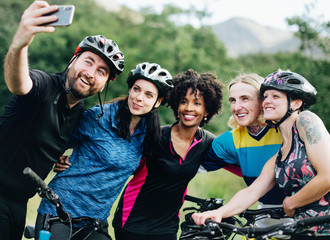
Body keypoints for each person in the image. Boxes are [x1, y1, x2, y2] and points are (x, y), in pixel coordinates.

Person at [0, 1, 124, 239]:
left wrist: (56, 157)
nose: (91, 73)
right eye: (88, 61)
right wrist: (19, 44)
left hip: (20, 204)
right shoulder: (44, 86)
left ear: (105, 84)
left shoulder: (80, 113)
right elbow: (19, 82)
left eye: (101, 71)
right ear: (73, 59)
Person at [36, 62, 174, 239]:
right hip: (60, 210)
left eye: (148, 95)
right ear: (130, 90)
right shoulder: (99, 118)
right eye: (136, 89)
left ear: (158, 102)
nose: (139, 98)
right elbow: (57, 140)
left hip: (95, 220)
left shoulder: (148, 135)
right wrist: (57, 157)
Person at [193, 70, 330, 240]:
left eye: (275, 96)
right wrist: (219, 212)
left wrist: (291, 202)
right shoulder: (281, 153)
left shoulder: (306, 120)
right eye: (265, 96)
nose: (267, 101)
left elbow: (328, 176)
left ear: (295, 103)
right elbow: (252, 191)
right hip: (303, 231)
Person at [112, 69, 224, 240]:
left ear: (207, 110)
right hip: (132, 221)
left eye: (197, 103)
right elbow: (119, 160)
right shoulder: (155, 135)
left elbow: (237, 163)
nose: (188, 108)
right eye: (183, 101)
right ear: (175, 104)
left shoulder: (207, 142)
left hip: (167, 227)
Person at [200, 73, 290, 232]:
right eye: (233, 100)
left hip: (308, 223)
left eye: (245, 99)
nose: (236, 107)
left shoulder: (287, 130)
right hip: (264, 227)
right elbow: (187, 167)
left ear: (263, 101)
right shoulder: (229, 141)